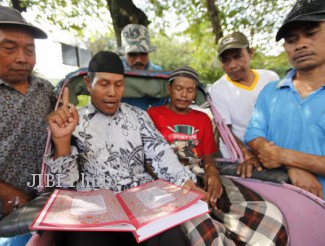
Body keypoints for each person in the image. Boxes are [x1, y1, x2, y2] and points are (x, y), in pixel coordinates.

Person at [46, 51, 211, 245]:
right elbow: (65, 183)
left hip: (144, 204)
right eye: (104, 84)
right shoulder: (72, 122)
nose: (112, 93)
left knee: (173, 238)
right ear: (89, 84)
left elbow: (160, 153)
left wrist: (185, 182)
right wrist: (63, 141)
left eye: (119, 84)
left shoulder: (138, 116)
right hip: (94, 209)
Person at [147, 66, 288, 245]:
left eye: (190, 90)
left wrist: (212, 173)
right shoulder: (152, 115)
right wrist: (172, 183)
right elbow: (147, 158)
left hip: (199, 173)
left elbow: (208, 157)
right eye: (179, 88)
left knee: (264, 212)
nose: (184, 95)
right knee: (204, 226)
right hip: (167, 180)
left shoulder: (202, 118)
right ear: (169, 89)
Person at [0, 4, 54, 245]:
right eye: (9, 48)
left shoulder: (45, 90)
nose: (22, 59)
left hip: (42, 214)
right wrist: (7, 192)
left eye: (30, 50)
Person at [245, 0, 325, 209]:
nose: (301, 44)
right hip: (279, 213)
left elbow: (274, 154)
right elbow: (253, 135)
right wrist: (291, 165)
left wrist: (286, 157)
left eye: (311, 33)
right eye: (292, 39)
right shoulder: (271, 91)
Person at [208, 32, 279, 178]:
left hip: (271, 149)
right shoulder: (218, 89)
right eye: (225, 60)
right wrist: (245, 154)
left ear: (250, 52)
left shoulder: (271, 78)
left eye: (237, 56)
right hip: (237, 155)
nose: (232, 65)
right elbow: (225, 131)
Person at [118, 24, 165, 110]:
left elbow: (159, 108)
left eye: (143, 53)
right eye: (132, 54)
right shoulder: (113, 71)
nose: (138, 60)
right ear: (124, 54)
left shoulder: (157, 74)